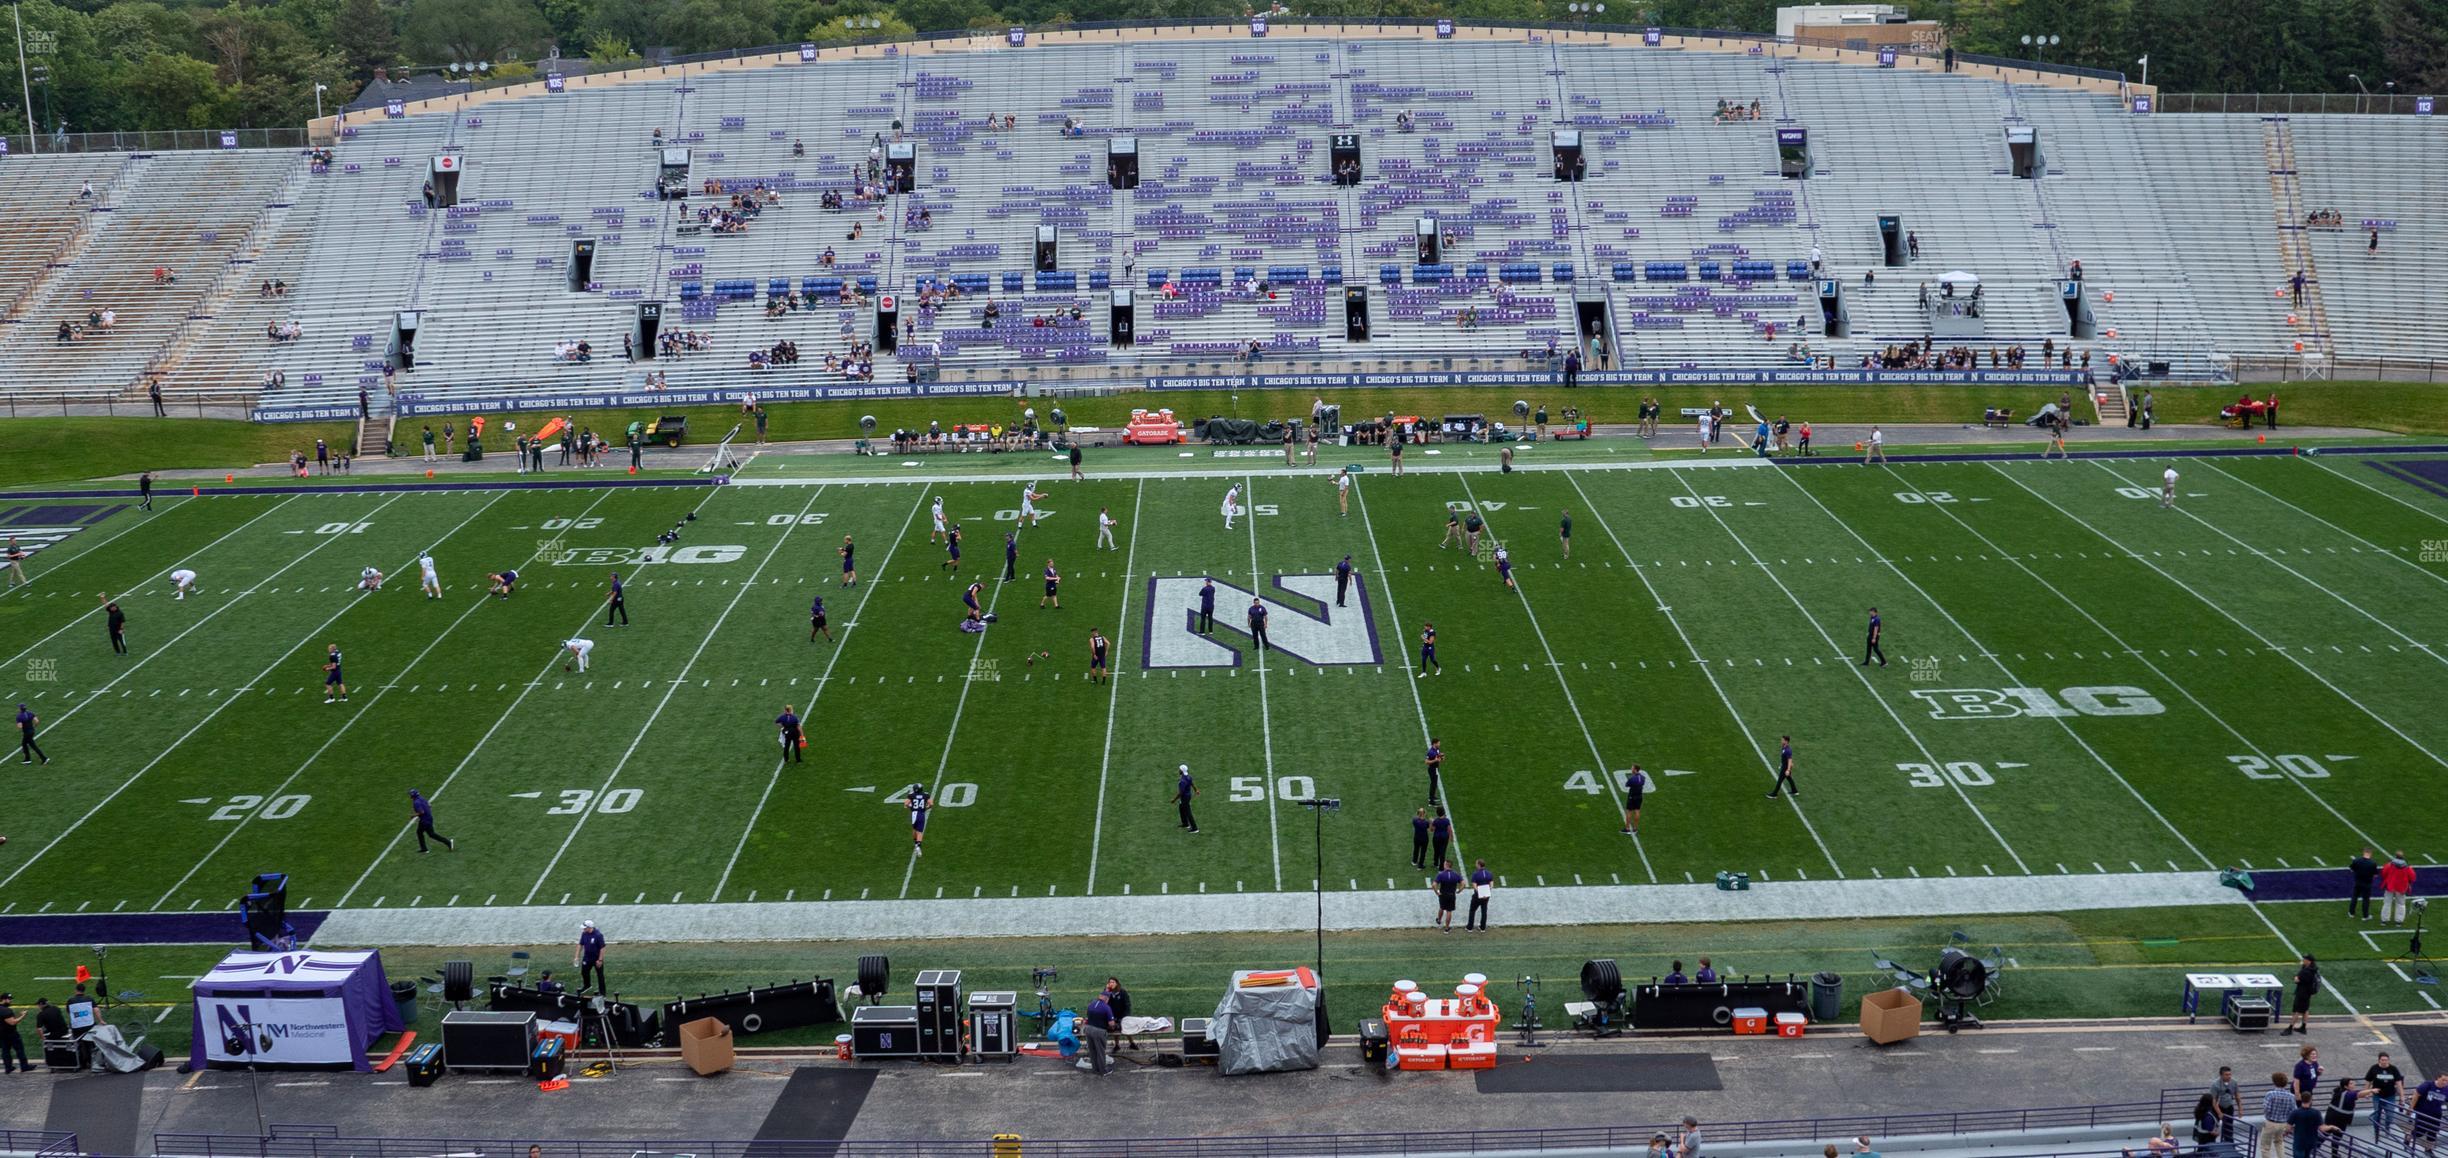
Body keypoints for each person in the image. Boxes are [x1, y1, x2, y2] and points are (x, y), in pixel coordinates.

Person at [2368, 1052, 2406, 1140]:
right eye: (2382, 1060)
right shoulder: (2374, 1068)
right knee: (2377, 1114)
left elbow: (2399, 1083)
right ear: (2379, 1060)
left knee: (2390, 1115)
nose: (2384, 1062)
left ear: (2388, 1060)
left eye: (2386, 1060)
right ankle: (2376, 1130)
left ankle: (2387, 1127)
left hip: (2390, 1096)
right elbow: (2368, 1081)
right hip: (2377, 1096)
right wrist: (2366, 1092)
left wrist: (2402, 1096)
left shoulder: (2393, 1069)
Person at [409, 788, 454, 852]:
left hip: (424, 821)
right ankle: (447, 842)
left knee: (422, 833)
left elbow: (421, 812)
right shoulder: (421, 798)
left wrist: (413, 815)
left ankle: (448, 842)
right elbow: (429, 805)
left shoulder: (416, 802)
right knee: (430, 834)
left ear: (412, 796)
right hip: (429, 818)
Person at [2284, 955, 2319, 1035]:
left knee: (2297, 1011)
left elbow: (2297, 980)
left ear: (2309, 961)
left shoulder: (2307, 971)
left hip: (2303, 993)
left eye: (2305, 959)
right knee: (2305, 1010)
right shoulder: (2311, 969)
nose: (2303, 960)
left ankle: (2290, 1028)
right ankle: (2303, 1027)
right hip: (2307, 993)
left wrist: (2297, 978)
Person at [2379, 853, 2415, 925]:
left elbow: (2383, 873)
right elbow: (2412, 877)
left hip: (2390, 886)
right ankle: (2399, 921)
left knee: (2387, 903)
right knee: (2401, 904)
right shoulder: (2407, 867)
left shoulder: (2390, 865)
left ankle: (2384, 920)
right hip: (2401, 888)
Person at [576, 920, 608, 994]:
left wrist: (600, 960)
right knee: (584, 972)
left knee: (600, 976)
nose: (583, 929)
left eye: (585, 928)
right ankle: (587, 985)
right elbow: (580, 944)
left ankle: (602, 992)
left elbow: (602, 948)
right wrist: (577, 956)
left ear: (589, 927)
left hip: (596, 959)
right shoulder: (584, 934)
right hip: (587, 958)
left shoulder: (598, 935)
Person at [1431, 860, 1463, 933]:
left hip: (1443, 894)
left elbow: (1434, 885)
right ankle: (1447, 928)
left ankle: (1439, 920)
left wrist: (1436, 892)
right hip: (1451, 895)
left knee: (1442, 907)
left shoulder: (1441, 874)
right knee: (1449, 911)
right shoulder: (1456, 874)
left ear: (1446, 865)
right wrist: (1459, 890)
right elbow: (1463, 883)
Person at [2349, 848, 2381, 919]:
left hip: (2358, 882)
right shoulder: (2373, 863)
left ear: (2364, 852)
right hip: (2367, 884)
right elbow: (2375, 875)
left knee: (2354, 897)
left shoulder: (2357, 860)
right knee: (2366, 899)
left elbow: (2351, 870)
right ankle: (2365, 916)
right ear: (2370, 853)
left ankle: (2351, 913)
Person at [2214, 1066, 2243, 1143]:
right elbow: (2214, 1100)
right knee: (2214, 1126)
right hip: (2218, 1107)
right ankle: (2213, 1144)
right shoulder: (2215, 1084)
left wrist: (2240, 1109)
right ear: (2221, 1075)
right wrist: (2219, 1113)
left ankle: (2229, 1143)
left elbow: (2237, 1096)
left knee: (2229, 1127)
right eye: (2226, 1074)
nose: (2229, 1076)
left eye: (2230, 1074)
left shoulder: (2234, 1082)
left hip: (2229, 1106)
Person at [902, 783, 932, 854]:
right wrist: (925, 808)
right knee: (920, 832)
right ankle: (918, 846)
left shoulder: (911, 795)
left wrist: (912, 808)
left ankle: (916, 843)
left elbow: (906, 804)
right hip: (921, 814)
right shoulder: (926, 795)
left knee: (914, 829)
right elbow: (931, 804)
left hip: (914, 814)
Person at [0, 992, 26, 1073]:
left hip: (2, 1034)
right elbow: (12, 1022)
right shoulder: (6, 1010)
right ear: (4, 999)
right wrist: (23, 1016)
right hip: (11, 1033)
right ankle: (24, 1066)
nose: (11, 1001)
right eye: (9, 999)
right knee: (19, 1049)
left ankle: (8, 1068)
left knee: (5, 1051)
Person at [1466, 859, 1494, 931]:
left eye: (1476, 864)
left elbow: (1474, 886)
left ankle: (1470, 927)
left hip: (1478, 896)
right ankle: (1483, 927)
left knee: (1472, 910)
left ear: (1479, 865)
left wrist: (1480, 893)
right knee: (1484, 911)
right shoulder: (1489, 873)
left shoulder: (1475, 874)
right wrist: (1487, 892)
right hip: (1486, 896)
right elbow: (1491, 884)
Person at [1172, 764, 1199, 833]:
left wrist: (1174, 800)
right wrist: (1196, 790)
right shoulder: (1188, 777)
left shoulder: (1182, 781)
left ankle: (1195, 828)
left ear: (1181, 771)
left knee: (1188, 812)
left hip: (1185, 797)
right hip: (1187, 795)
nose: (1178, 770)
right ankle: (1185, 823)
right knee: (1181, 808)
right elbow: (1192, 783)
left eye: (1179, 769)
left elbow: (1181, 793)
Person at [1622, 765, 1646, 835]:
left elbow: (1627, 785)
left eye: (1632, 768)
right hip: (1639, 796)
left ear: (1635, 770)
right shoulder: (1643, 777)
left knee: (1629, 812)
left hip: (1632, 796)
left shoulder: (1632, 778)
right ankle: (1635, 828)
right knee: (1637, 811)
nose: (1631, 769)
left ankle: (1627, 829)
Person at [1424, 736, 1445, 803]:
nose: (1439, 744)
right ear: (1434, 744)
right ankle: (1431, 800)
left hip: (1436, 769)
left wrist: (1441, 758)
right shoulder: (1430, 752)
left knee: (1434, 783)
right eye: (1438, 743)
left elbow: (1438, 758)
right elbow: (1426, 762)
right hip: (1432, 769)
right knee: (1433, 784)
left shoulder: (1437, 750)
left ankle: (1432, 796)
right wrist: (1435, 760)